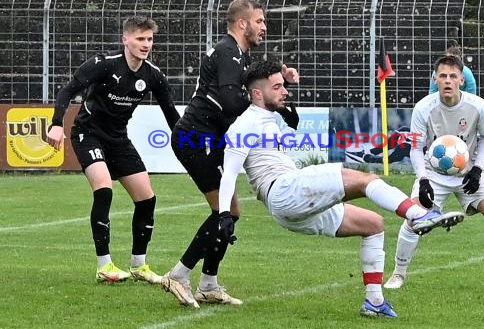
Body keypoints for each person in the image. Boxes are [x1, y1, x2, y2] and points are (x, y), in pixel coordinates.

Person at [161, 60, 465, 315]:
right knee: (365, 179)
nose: (284, 91)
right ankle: (417, 215)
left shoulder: (267, 117)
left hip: (290, 207)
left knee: (373, 224)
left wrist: (282, 109)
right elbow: (228, 174)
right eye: (276, 87)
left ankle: (374, 301)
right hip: (283, 190)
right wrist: (225, 215)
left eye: (284, 85)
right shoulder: (244, 124)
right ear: (256, 93)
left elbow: (277, 124)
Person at [161, 0, 299, 307]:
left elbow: (249, 86)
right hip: (196, 139)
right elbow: (231, 102)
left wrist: (279, 76)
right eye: (259, 21)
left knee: (230, 212)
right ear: (242, 23)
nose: (264, 27)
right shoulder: (227, 52)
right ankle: (179, 274)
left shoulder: (235, 54)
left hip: (209, 139)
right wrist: (274, 106)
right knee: (225, 211)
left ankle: (209, 284)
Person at [46, 16, 180, 283]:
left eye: (149, 39)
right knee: (104, 189)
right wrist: (56, 124)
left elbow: (172, 116)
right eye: (140, 39)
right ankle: (104, 265)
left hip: (118, 139)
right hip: (88, 134)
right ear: (125, 40)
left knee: (147, 199)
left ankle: (139, 266)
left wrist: (191, 140)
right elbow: (67, 91)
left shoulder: (153, 75)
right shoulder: (103, 65)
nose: (146, 44)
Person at [383, 55, 484, 295]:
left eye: (453, 76)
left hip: (469, 173)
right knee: (412, 219)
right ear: (435, 79)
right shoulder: (423, 108)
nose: (448, 81)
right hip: (433, 174)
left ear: (462, 79)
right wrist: (422, 179)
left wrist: (478, 168)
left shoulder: (478, 106)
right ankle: (398, 274)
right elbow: (416, 148)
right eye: (443, 76)